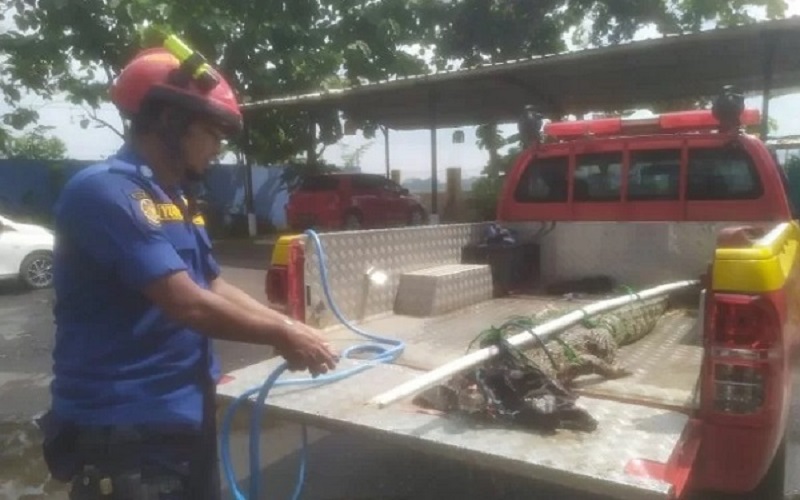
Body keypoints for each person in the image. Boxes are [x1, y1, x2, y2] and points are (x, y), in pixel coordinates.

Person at [38, 43, 337, 499]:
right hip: (126, 430)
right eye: (212, 132)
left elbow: (211, 282)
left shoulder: (172, 198)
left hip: (180, 419)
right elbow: (186, 302)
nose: (218, 147)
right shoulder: (107, 192)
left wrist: (287, 324)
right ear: (169, 120)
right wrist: (283, 337)